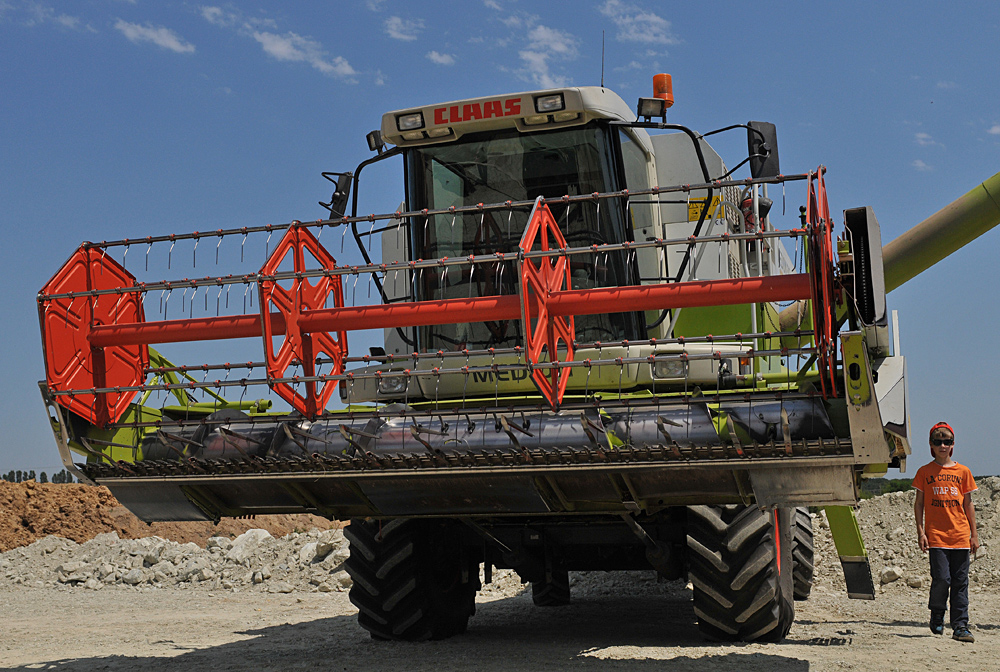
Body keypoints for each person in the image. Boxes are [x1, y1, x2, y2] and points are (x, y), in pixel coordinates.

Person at [912, 421, 979, 642]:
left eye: (947, 442)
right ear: (931, 445)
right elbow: (919, 504)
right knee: (941, 579)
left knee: (960, 582)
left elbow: (968, 504)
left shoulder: (963, 472)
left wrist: (974, 534)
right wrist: (921, 532)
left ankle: (960, 626)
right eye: (938, 442)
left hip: (960, 536)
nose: (942, 446)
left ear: (953, 445)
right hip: (936, 537)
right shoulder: (924, 472)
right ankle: (937, 613)